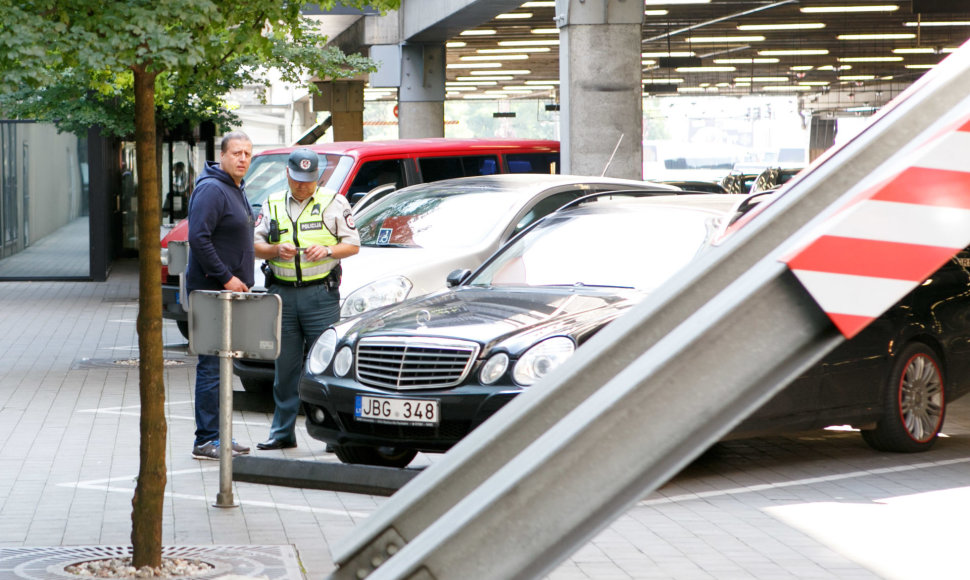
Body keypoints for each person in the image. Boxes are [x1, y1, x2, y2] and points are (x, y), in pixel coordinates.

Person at [253, 148, 360, 450]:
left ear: (318, 177)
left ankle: (332, 434)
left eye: (309, 180)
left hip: (320, 296)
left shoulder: (335, 202)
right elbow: (256, 243)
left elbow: (352, 245)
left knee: (325, 366)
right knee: (284, 368)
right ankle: (282, 433)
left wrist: (327, 251)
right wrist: (275, 250)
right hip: (282, 296)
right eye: (298, 179)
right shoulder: (273, 202)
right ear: (287, 174)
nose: (303, 185)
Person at [186, 131, 255, 460]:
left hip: (229, 293)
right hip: (213, 292)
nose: (243, 158)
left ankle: (221, 436)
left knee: (223, 365)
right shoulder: (213, 188)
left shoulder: (235, 187)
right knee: (212, 367)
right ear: (223, 155)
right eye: (237, 153)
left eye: (247, 154)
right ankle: (206, 439)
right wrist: (226, 277)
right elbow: (198, 238)